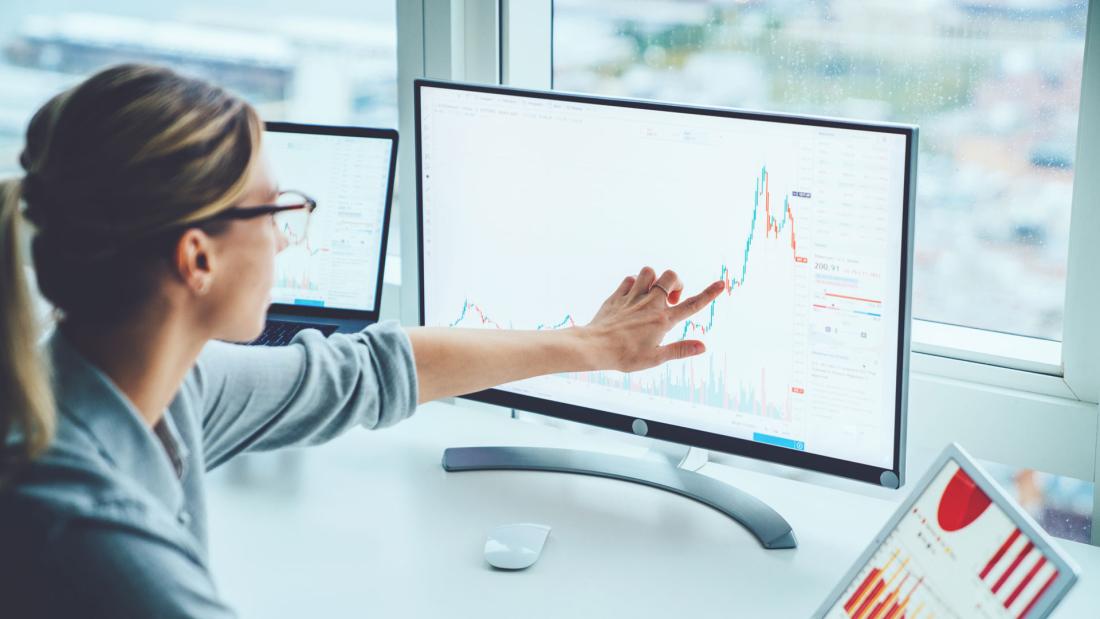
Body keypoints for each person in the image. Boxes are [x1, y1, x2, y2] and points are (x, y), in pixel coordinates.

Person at [0, 64, 725, 617]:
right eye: (276, 211)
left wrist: (592, 345)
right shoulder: (89, 533)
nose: (287, 237)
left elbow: (368, 372)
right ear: (197, 259)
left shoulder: (141, 383)